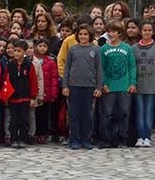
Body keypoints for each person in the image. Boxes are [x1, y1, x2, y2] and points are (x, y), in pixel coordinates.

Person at [63, 24, 102, 150]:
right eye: (80, 34)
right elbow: (67, 68)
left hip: (89, 87)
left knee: (87, 115)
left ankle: (86, 139)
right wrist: (65, 86)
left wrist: (98, 87)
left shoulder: (95, 50)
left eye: (85, 34)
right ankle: (75, 140)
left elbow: (99, 70)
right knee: (74, 114)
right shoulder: (73, 50)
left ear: (90, 35)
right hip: (73, 86)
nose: (83, 36)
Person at [98, 20, 136, 148]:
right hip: (109, 87)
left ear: (120, 33)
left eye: (114, 31)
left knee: (124, 112)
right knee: (107, 113)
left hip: (124, 86)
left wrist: (132, 83)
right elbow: (101, 68)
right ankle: (107, 138)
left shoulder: (127, 48)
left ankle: (122, 137)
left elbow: (132, 66)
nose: (111, 33)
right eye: (109, 31)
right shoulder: (103, 49)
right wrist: (103, 84)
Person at [1, 40, 37, 149]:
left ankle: (22, 138)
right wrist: (5, 96)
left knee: (24, 120)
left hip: (25, 97)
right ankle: (13, 139)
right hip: (13, 98)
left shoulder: (29, 65)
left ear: (24, 52)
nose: (16, 53)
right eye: (15, 50)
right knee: (14, 120)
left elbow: (33, 82)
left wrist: (33, 97)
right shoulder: (10, 65)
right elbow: (6, 81)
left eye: (19, 51)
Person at [133, 21, 155, 147]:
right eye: (144, 30)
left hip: (152, 85)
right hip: (138, 85)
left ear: (153, 32)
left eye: (149, 30)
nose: (147, 32)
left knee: (149, 111)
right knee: (140, 111)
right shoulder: (134, 48)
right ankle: (140, 136)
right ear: (140, 32)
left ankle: (147, 137)